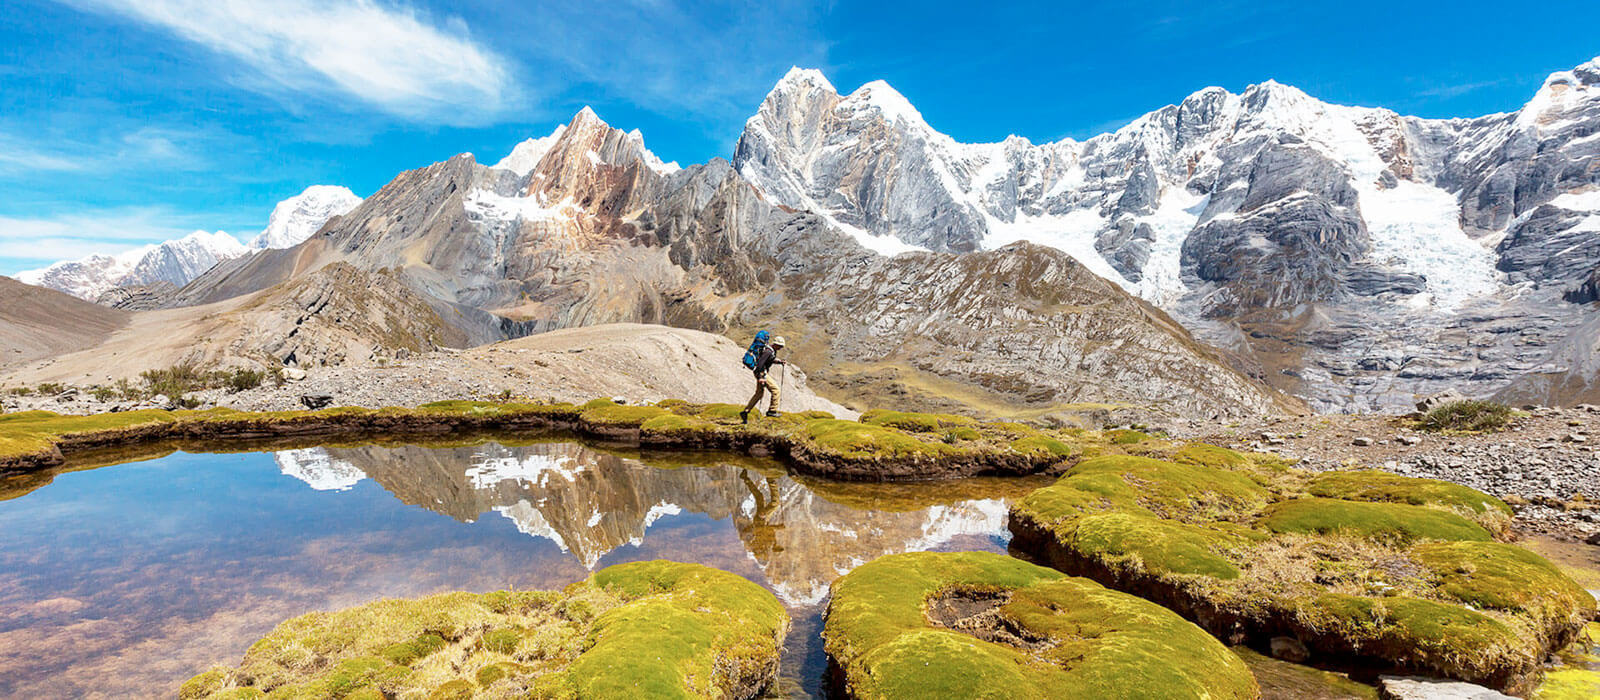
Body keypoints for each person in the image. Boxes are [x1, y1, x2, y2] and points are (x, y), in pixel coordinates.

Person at [740, 335, 786, 423]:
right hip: (762, 373)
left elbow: (768, 360)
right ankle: (772, 411)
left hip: (759, 373)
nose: (781, 348)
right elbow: (760, 364)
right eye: (780, 346)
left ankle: (745, 412)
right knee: (776, 390)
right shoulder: (768, 351)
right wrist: (761, 377)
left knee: (759, 394)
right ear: (776, 344)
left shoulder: (770, 350)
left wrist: (779, 362)